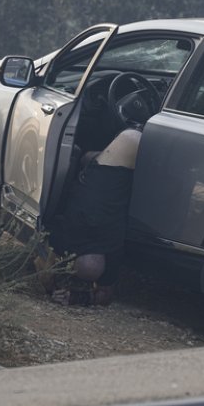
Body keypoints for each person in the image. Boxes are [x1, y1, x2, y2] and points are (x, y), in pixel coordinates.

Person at [47, 127, 141, 306]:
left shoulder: (110, 252)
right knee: (128, 139)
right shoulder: (64, 241)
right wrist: (61, 292)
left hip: (113, 180)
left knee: (132, 139)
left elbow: (105, 295)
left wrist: (73, 297)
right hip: (99, 177)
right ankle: (93, 155)